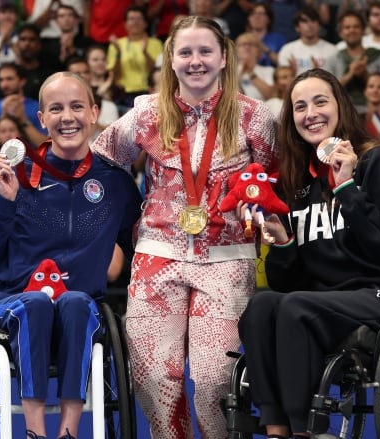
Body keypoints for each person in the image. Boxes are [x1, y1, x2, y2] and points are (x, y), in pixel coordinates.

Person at [91, 16, 278, 439]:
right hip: (157, 256)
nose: (196, 61)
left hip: (226, 259)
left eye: (205, 51)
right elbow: (102, 161)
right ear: (171, 60)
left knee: (215, 380)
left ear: (224, 57)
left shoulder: (255, 118)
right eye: (186, 52)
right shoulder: (146, 115)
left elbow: (274, 180)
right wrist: (123, 226)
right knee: (155, 380)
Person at [237, 68, 380, 438]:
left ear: (341, 107)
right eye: (299, 106)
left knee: (296, 307)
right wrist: (283, 243)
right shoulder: (299, 183)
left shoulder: (377, 161)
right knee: (262, 306)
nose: (310, 113)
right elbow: (290, 282)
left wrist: (347, 188)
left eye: (319, 101)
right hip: (331, 298)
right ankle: (275, 426)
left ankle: (305, 431)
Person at [0, 71, 142, 439]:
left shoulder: (115, 183)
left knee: (77, 302)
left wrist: (118, 260)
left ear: (94, 113)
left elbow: (137, 239)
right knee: (35, 304)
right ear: (41, 119)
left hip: (78, 307)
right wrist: (4, 203)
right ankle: (35, 433)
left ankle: (67, 433)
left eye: (77, 106)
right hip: (11, 303)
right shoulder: (16, 173)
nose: (68, 117)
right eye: (56, 108)